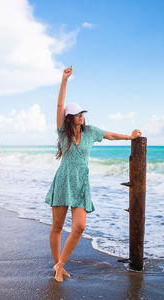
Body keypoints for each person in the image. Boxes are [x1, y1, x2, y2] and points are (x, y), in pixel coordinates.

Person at [45, 65, 142, 282]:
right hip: (63, 180)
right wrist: (64, 80)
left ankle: (60, 264)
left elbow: (110, 135)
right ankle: (58, 266)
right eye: (77, 114)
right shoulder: (63, 131)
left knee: (79, 226)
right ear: (69, 118)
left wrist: (130, 137)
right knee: (57, 227)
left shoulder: (90, 131)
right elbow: (60, 104)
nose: (81, 116)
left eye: (82, 113)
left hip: (81, 183)